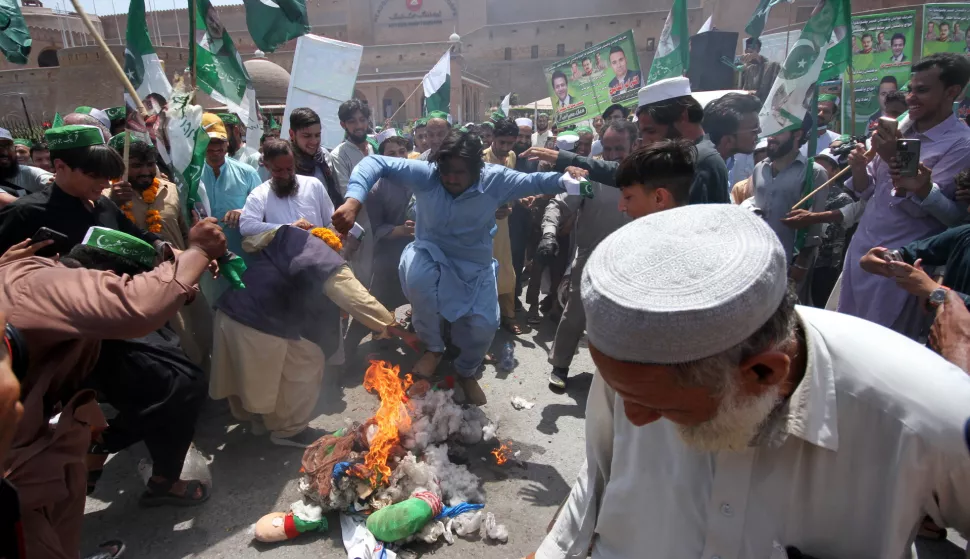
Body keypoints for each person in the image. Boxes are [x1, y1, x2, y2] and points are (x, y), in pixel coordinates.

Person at [531, 202, 970, 559]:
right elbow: (601, 475)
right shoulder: (643, 371)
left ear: (764, 372)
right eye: (620, 390)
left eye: (661, 407)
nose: (633, 418)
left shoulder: (926, 416)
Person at [1, 218, 225, 559]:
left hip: (40, 425)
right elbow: (138, 306)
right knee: (28, 533)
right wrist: (198, 251)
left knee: (60, 495)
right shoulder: (59, 288)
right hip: (14, 453)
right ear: (107, 277)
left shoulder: (23, 267)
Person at [331, 131, 573, 406]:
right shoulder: (427, 174)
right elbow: (374, 163)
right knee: (420, 280)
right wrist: (353, 200)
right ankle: (433, 349)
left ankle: (466, 372)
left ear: (476, 169)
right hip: (428, 253)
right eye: (446, 171)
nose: (451, 179)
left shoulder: (495, 178)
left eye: (460, 172)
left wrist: (570, 178)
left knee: (485, 325)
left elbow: (537, 181)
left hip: (474, 265)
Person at [210, 225, 400, 447]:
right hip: (258, 324)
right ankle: (289, 431)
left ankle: (260, 420)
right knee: (308, 361)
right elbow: (357, 299)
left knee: (289, 358)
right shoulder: (326, 259)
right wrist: (390, 325)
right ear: (337, 241)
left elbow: (250, 242)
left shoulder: (289, 234)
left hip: (228, 312)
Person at [838, 53, 970, 338]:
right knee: (847, 341)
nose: (911, 98)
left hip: (901, 264)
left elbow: (943, 216)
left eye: (922, 90)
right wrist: (859, 167)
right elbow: (869, 190)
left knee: (883, 354)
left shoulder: (961, 144)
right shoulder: (900, 126)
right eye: (911, 89)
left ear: (952, 92)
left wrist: (894, 158)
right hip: (862, 253)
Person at [539, 120, 640, 389]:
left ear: (634, 146)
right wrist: (549, 232)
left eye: (620, 148)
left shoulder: (646, 178)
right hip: (590, 259)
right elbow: (560, 205)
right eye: (607, 148)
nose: (612, 155)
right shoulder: (590, 179)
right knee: (575, 313)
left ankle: (614, 374)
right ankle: (560, 366)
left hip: (631, 262)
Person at [522, 77, 730, 205]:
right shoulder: (681, 156)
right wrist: (562, 157)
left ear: (683, 116)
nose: (647, 142)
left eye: (651, 131)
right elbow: (620, 172)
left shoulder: (700, 160)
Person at [104, 133, 213, 368]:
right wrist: (112, 203)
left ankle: (206, 388)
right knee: (173, 345)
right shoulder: (105, 196)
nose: (145, 171)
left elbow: (187, 233)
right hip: (141, 287)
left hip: (184, 278)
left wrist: (201, 258)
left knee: (204, 334)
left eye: (149, 164)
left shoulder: (172, 190)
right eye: (135, 166)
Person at [0, 125, 163, 256]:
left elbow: (135, 234)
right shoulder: (24, 213)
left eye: (108, 177)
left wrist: (162, 247)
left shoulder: (103, 203)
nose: (106, 185)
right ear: (60, 166)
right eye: (94, 176)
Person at [344, 135, 414, 359]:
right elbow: (375, 228)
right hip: (389, 257)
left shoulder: (417, 180)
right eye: (391, 153)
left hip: (417, 255)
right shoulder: (376, 188)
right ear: (382, 157)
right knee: (376, 305)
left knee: (422, 302)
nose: (398, 157)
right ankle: (345, 355)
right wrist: (400, 230)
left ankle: (420, 349)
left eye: (402, 151)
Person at [751, 118, 829, 303]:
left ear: (797, 134)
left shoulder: (814, 173)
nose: (771, 138)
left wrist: (802, 263)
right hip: (759, 259)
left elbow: (814, 224)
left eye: (779, 132)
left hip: (791, 262)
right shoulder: (759, 169)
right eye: (771, 132)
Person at [240, 138, 335, 237]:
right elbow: (246, 227)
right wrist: (286, 228)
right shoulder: (260, 194)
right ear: (267, 166)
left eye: (289, 169)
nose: (285, 175)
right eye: (278, 170)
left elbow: (330, 222)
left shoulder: (313, 185)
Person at [331, 99, 377, 287]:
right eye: (352, 121)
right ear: (343, 125)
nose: (359, 126)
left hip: (380, 222)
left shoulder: (373, 148)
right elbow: (346, 193)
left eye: (362, 120)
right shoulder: (339, 155)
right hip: (360, 224)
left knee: (378, 278)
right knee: (361, 279)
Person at [484, 118, 522, 335]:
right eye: (502, 143)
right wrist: (490, 211)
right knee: (486, 271)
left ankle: (508, 315)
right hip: (482, 226)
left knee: (506, 268)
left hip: (503, 224)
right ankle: (487, 321)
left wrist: (513, 204)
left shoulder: (512, 157)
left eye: (510, 143)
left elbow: (511, 189)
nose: (505, 149)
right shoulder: (480, 160)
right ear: (493, 139)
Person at [703, 92, 762, 190]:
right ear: (728, 140)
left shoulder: (728, 162)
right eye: (754, 129)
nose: (759, 131)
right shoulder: (706, 171)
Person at [287, 107, 342, 208]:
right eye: (307, 136)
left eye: (317, 135)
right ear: (292, 134)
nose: (314, 141)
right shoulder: (283, 160)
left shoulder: (324, 156)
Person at [0, 128, 52, 202]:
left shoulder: (28, 172)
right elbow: (8, 203)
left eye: (7, 146)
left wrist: (56, 182)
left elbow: (45, 178)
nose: (4, 151)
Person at [739, 36, 782, 103]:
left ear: (758, 50)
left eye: (753, 49)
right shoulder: (749, 69)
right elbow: (745, 91)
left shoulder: (773, 66)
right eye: (747, 49)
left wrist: (757, 57)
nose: (750, 52)